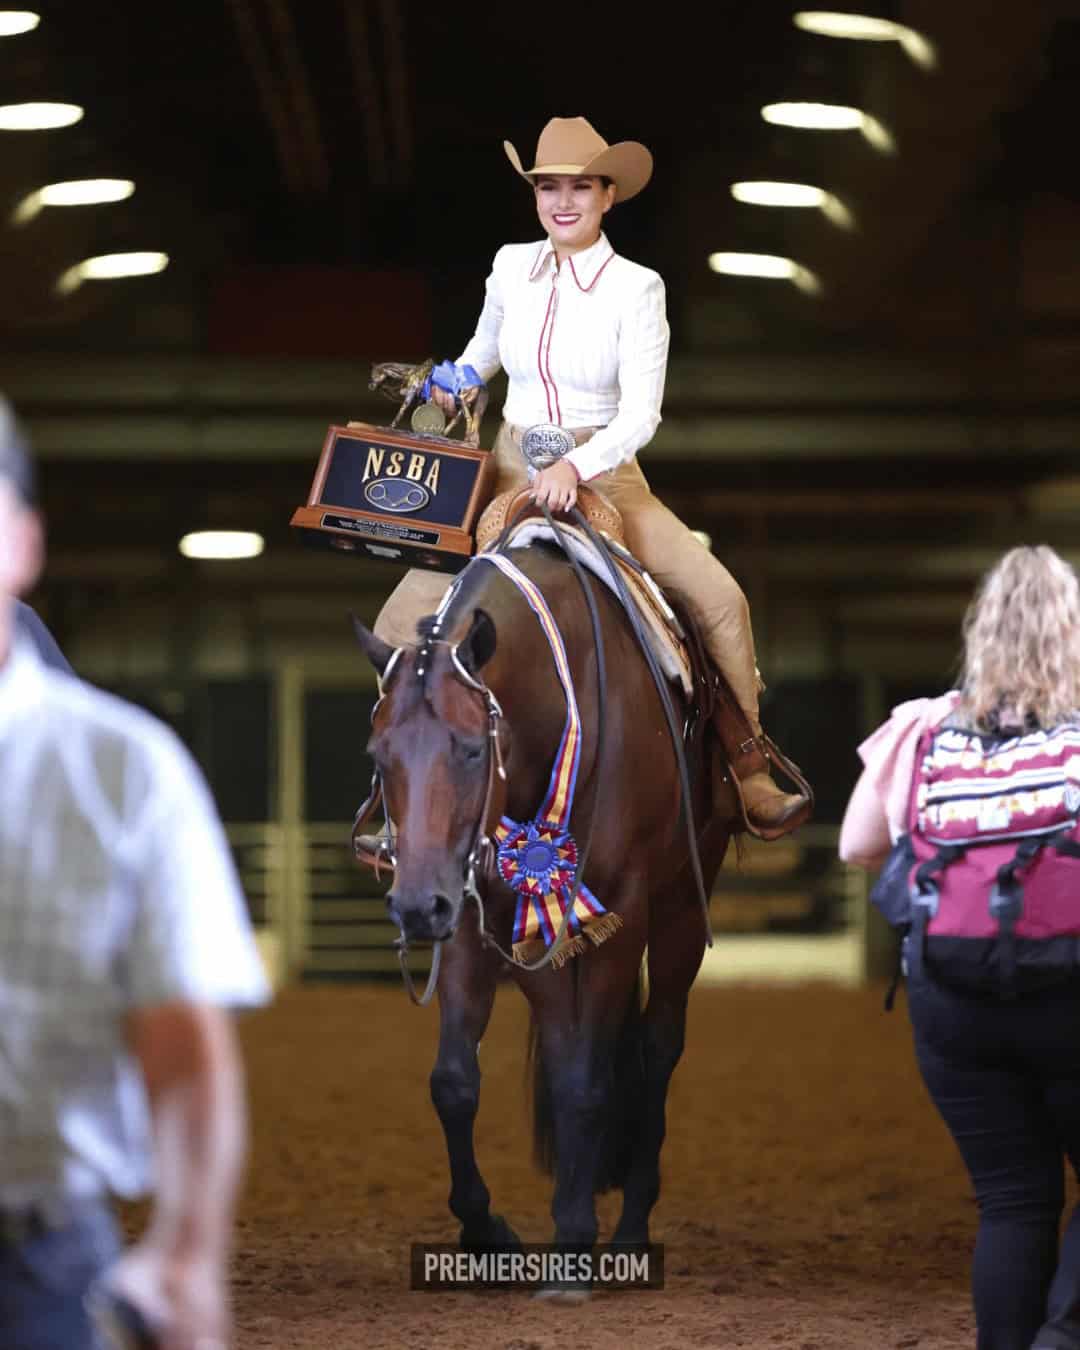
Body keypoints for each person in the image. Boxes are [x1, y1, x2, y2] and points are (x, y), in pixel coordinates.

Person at [372, 115, 810, 838]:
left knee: (721, 601)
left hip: (606, 472)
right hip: (508, 464)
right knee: (398, 621)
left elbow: (641, 414)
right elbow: (484, 352)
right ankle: (404, 798)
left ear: (609, 195)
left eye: (580, 187)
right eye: (549, 187)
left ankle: (747, 766)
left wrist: (576, 466)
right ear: (535, 196)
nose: (563, 201)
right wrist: (453, 382)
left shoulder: (638, 288)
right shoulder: (510, 265)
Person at [0, 398, 271, 1349]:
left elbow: (182, 1045)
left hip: (31, 1267)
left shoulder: (124, 770)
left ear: (23, 542)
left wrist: (190, 1255)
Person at [840, 545, 1080, 1350]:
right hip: (1070, 993)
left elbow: (856, 847)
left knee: (1012, 1200)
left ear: (981, 631)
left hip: (953, 998)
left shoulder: (923, 726)